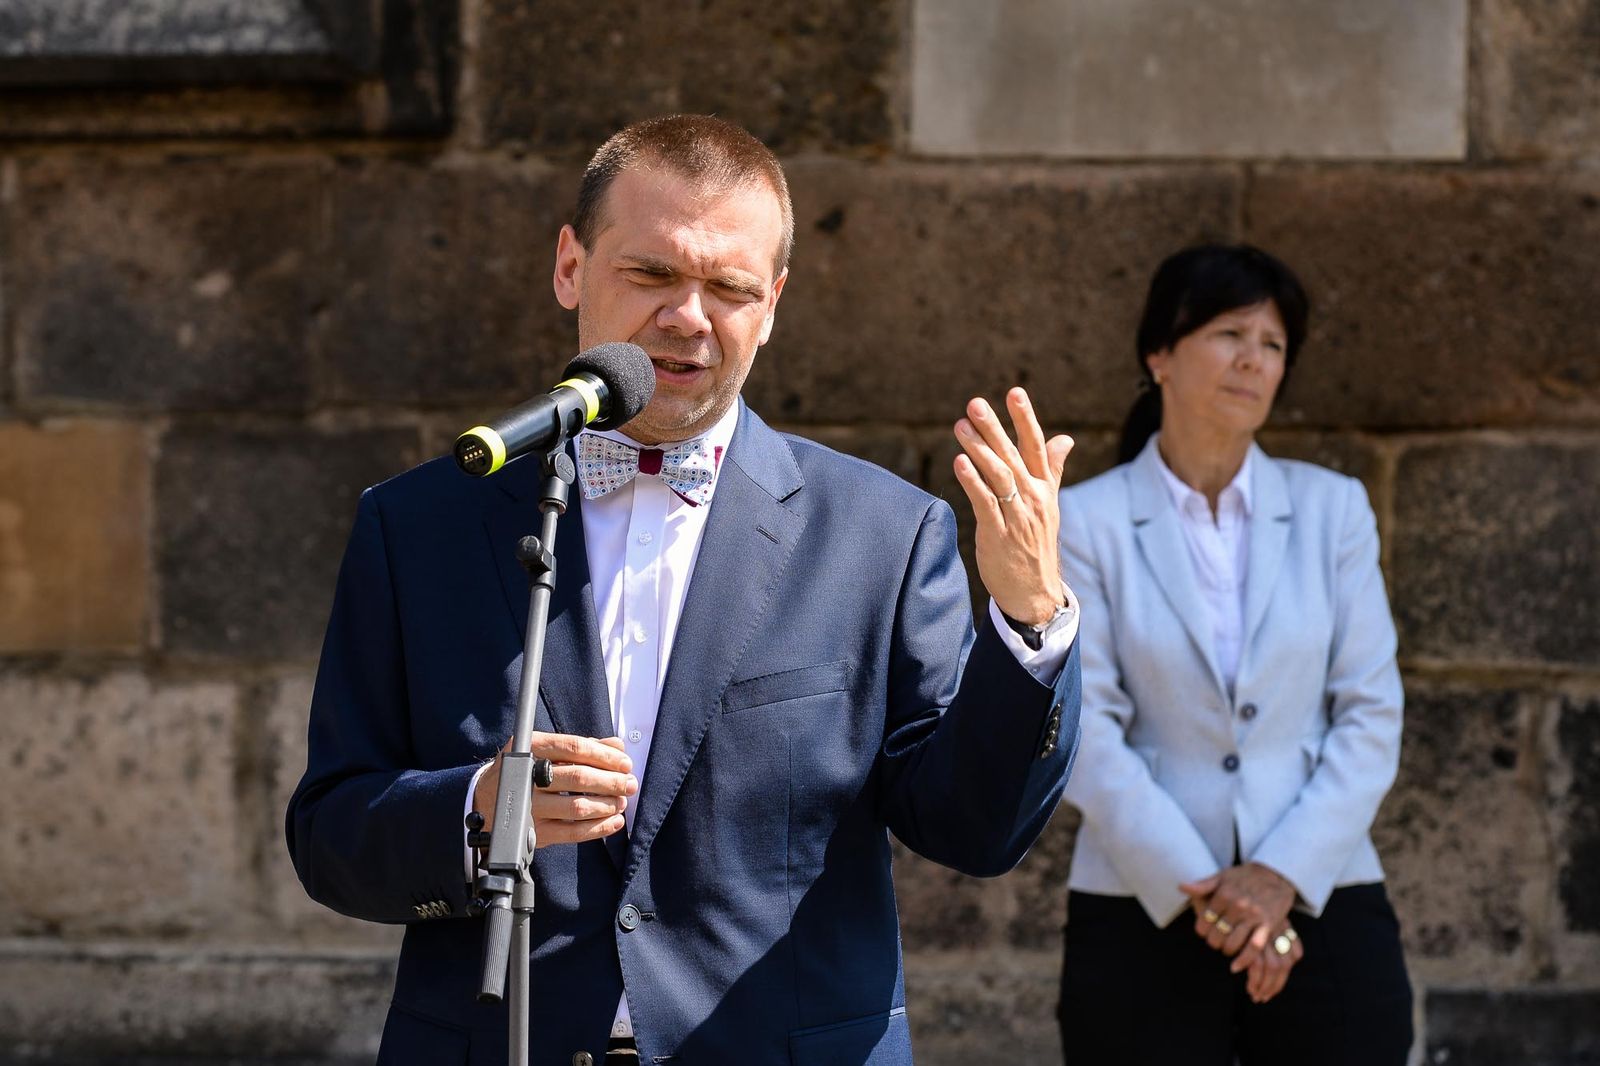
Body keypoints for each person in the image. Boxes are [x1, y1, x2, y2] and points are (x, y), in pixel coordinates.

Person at [287, 114, 1082, 1066]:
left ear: (774, 303)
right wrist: (475, 810)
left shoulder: (882, 535)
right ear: (570, 267)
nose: (689, 317)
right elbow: (331, 833)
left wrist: (1029, 620)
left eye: (730, 288)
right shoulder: (419, 526)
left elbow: (976, 830)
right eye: (653, 274)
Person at [1053, 244, 1412, 1064]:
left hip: (1323, 889)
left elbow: (1370, 709)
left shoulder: (1334, 511)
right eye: (1228, 333)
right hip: (1144, 899)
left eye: (1273, 344)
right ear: (1160, 354)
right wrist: (1213, 894)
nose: (1253, 359)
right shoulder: (1086, 521)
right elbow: (1083, 726)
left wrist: (1277, 876)